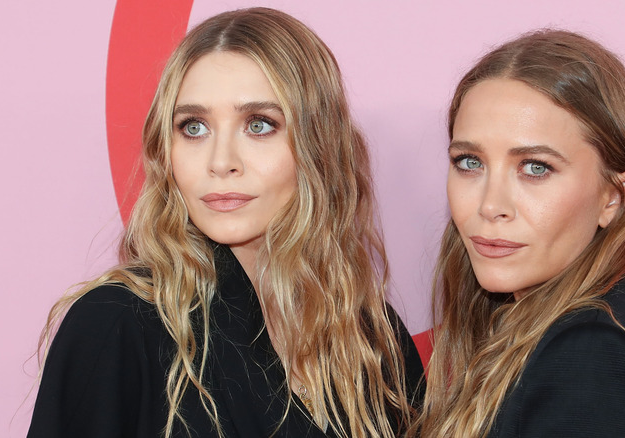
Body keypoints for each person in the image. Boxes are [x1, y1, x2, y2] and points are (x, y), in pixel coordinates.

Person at [28, 8, 423, 438]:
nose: (220, 163)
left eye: (258, 125)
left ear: (318, 144)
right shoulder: (117, 323)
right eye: (194, 127)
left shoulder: (372, 339)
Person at [415, 30, 625, 437]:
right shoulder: (573, 329)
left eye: (535, 167)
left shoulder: (592, 355)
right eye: (469, 162)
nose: (489, 205)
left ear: (614, 195)